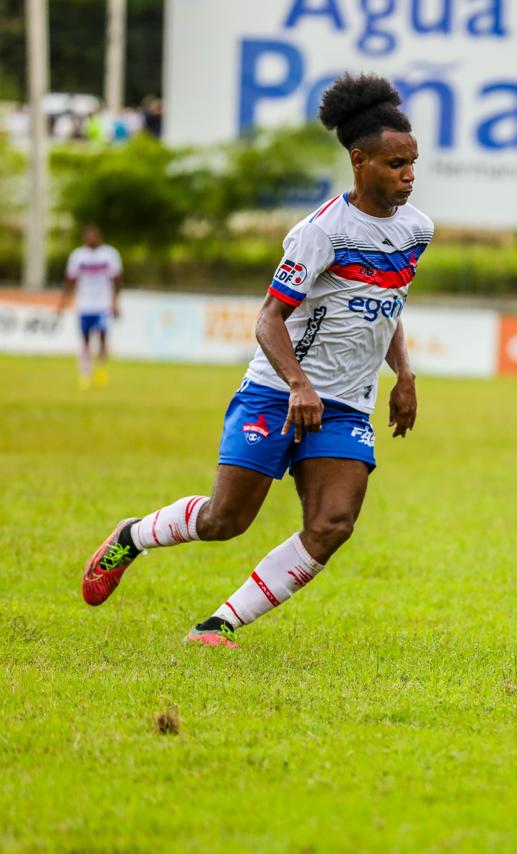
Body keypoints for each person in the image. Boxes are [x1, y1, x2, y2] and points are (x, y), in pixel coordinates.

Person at [79, 73, 433, 648]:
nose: (409, 176)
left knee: (332, 524)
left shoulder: (418, 230)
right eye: (396, 165)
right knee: (225, 521)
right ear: (360, 160)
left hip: (345, 404)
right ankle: (132, 536)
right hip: (277, 391)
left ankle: (219, 625)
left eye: (414, 163)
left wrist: (405, 373)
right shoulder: (320, 233)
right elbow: (268, 318)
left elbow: (389, 304)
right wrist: (298, 384)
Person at [59, 224, 123, 389]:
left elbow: (117, 280)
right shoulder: (78, 256)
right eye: (88, 236)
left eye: (94, 235)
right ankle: (85, 373)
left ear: (100, 237)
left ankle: (101, 371)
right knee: (85, 340)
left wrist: (115, 302)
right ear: (84, 238)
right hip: (85, 304)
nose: (91, 239)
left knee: (102, 338)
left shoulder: (110, 254)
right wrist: (65, 299)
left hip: (103, 304)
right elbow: (70, 279)